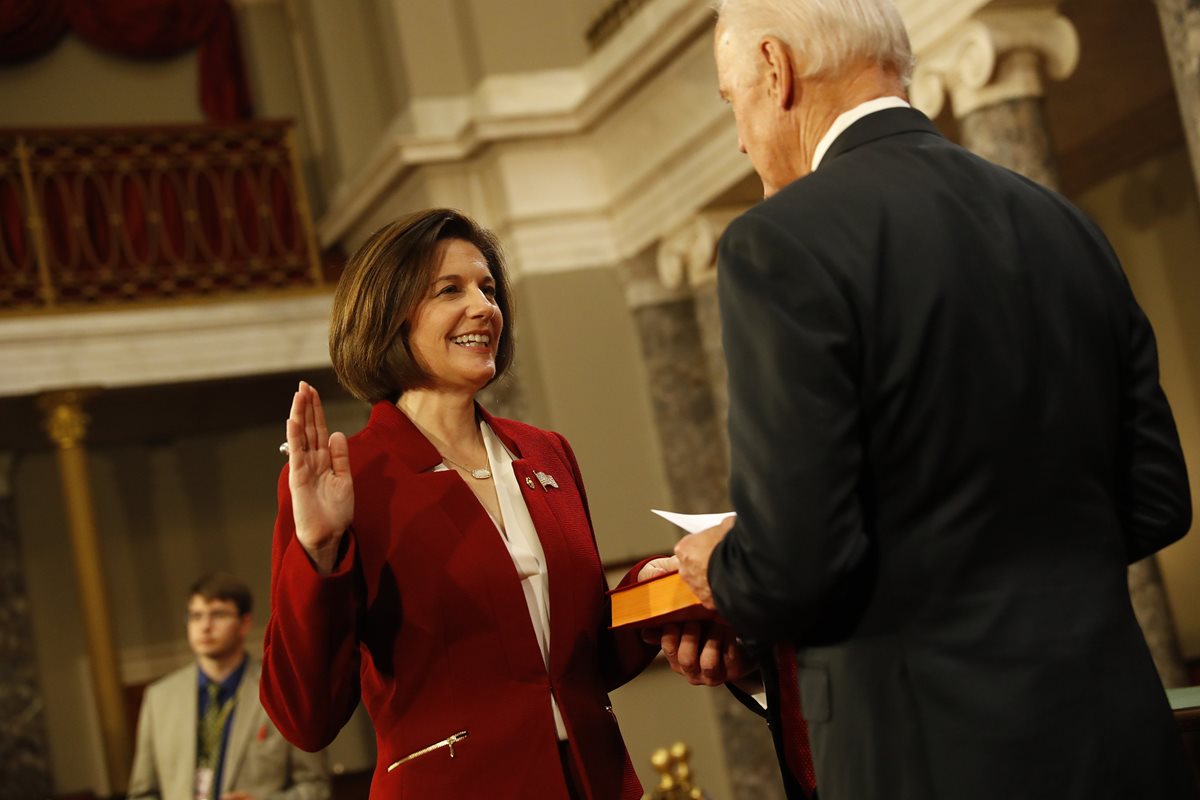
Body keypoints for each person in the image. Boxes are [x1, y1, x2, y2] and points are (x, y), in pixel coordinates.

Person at [654, 1, 1198, 799]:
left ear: (776, 69)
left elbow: (794, 566)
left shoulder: (781, 242)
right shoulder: (1062, 223)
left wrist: (722, 567)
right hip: (1116, 736)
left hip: (931, 757)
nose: (740, 138)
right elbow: (1159, 501)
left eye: (732, 102)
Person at [260, 208, 659, 798]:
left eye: (488, 288)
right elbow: (306, 718)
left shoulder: (546, 454)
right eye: (450, 290)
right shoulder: (351, 475)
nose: (484, 307)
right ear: (389, 316)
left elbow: (584, 658)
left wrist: (653, 596)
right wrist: (318, 552)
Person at [128, 573, 330, 800]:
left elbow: (317, 787)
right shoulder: (159, 698)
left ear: (244, 624)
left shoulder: (283, 688)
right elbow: (142, 793)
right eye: (196, 616)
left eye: (218, 615)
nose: (205, 626)